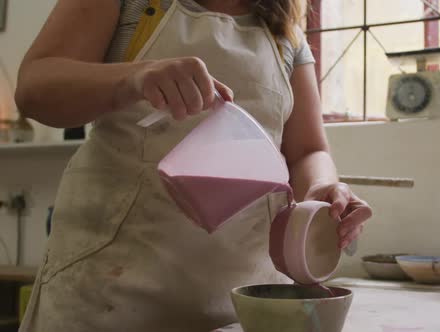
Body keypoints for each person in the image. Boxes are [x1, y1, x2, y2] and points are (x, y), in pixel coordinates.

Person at [15, 0, 372, 331]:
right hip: (112, 289)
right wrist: (135, 78)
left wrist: (321, 189)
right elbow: (34, 89)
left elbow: (307, 150)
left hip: (244, 296)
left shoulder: (286, 34)